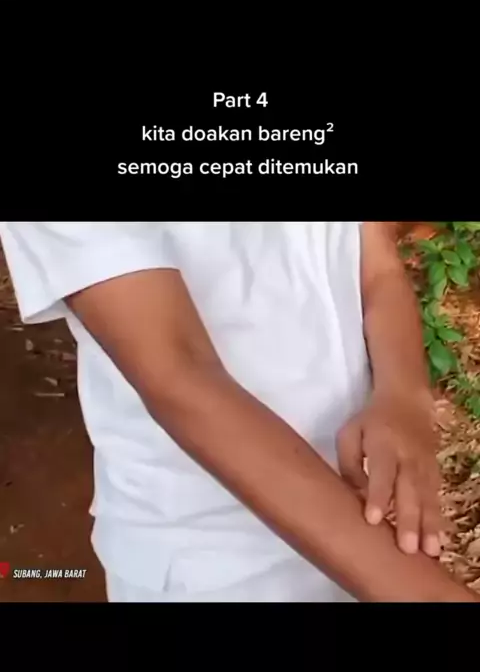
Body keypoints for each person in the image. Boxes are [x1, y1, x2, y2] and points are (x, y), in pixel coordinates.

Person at [0, 221, 476, 603]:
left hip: (371, 524)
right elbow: (179, 376)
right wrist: (423, 593)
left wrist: (402, 393)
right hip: (213, 565)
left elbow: (376, 265)